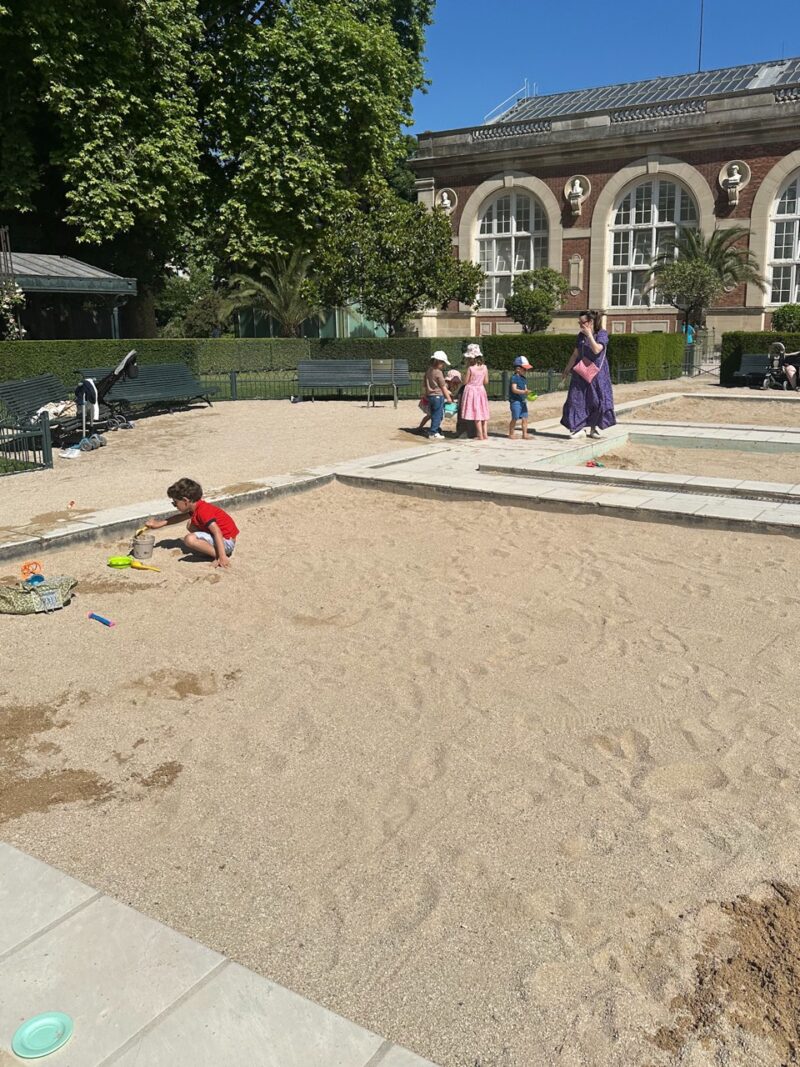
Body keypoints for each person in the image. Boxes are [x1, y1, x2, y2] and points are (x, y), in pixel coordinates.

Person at [146, 477, 239, 567]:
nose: (175, 506)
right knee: (190, 525)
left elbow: (217, 531)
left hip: (226, 542)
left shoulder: (203, 511)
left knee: (190, 539)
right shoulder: (197, 507)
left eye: (175, 503)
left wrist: (222, 557)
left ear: (185, 501)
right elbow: (179, 518)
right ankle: (214, 551)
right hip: (224, 539)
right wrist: (159, 523)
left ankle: (219, 555)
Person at [560, 310, 616, 439]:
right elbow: (575, 354)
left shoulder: (602, 334)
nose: (580, 325)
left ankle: (593, 428)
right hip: (581, 372)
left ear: (590, 322)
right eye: (579, 322)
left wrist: (590, 335)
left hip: (597, 374)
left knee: (597, 400)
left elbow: (597, 349)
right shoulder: (580, 336)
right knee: (576, 399)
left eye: (582, 322)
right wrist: (567, 369)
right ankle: (578, 428)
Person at [423, 351, 455, 439]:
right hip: (438, 396)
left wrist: (426, 393)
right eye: (443, 363)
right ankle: (433, 432)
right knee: (438, 415)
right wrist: (448, 398)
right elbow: (443, 386)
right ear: (439, 362)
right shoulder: (438, 372)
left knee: (434, 414)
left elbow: (425, 383)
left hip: (431, 396)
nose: (443, 365)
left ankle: (435, 429)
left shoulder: (429, 370)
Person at [461, 347, 490, 440]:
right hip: (481, 390)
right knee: (483, 412)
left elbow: (465, 382)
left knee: (476, 412)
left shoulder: (470, 368)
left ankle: (479, 434)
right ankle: (485, 434)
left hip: (471, 390)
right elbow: (486, 381)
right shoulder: (484, 367)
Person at [456, 345, 479, 438]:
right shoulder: (482, 367)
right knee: (476, 410)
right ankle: (475, 431)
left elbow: (466, 381)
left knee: (464, 409)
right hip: (478, 391)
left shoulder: (470, 368)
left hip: (468, 390)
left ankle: (463, 431)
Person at [508, 355, 533, 439]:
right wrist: (524, 391)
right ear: (518, 369)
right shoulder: (514, 378)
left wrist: (529, 393)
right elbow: (514, 389)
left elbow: (525, 389)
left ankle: (524, 434)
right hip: (515, 401)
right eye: (524, 369)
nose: (526, 371)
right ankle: (511, 433)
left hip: (522, 401)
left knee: (525, 417)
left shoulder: (523, 378)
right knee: (515, 417)